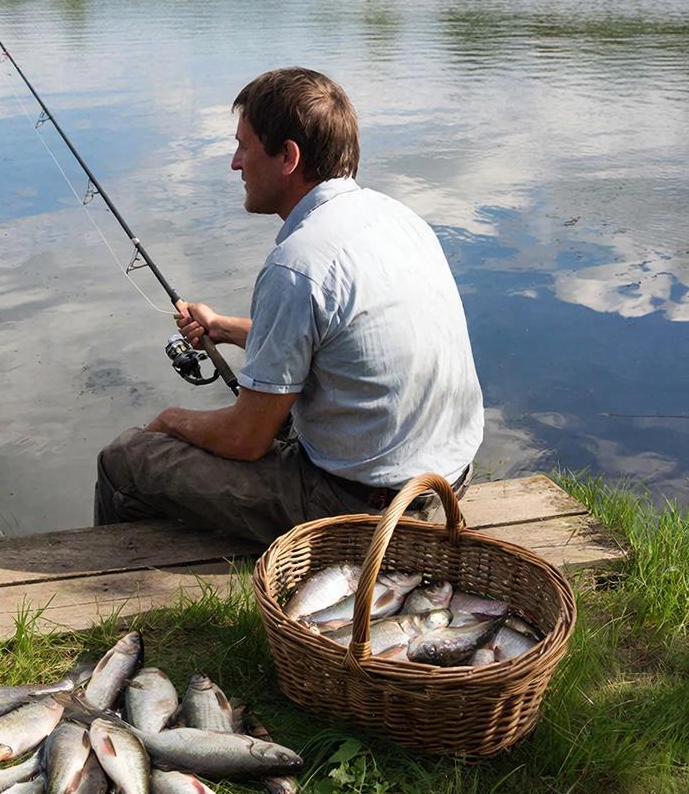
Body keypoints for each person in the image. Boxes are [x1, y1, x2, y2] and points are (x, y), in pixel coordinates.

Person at [93, 67, 484, 544]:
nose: (236, 163)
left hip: (363, 513)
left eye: (244, 146)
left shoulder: (297, 264)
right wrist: (223, 327)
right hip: (445, 487)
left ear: (288, 157)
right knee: (273, 416)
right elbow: (339, 335)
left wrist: (173, 420)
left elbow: (245, 439)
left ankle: (114, 587)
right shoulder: (398, 219)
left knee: (125, 459)